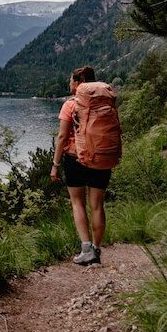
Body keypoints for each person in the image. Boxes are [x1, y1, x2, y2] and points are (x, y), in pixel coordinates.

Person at [50, 66, 111, 265]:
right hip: (101, 158)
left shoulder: (70, 105)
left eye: (71, 80)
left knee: (77, 203)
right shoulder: (105, 102)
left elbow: (61, 137)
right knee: (97, 205)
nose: (69, 84)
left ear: (78, 82)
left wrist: (55, 164)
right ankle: (97, 249)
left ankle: (86, 249)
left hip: (75, 159)